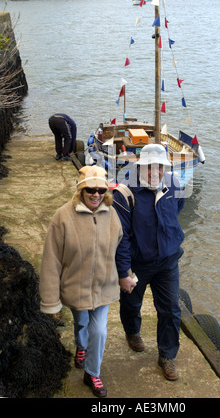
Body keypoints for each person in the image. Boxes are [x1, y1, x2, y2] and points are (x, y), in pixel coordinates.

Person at [39, 165, 123, 397]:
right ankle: (81, 345)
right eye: (90, 190)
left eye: (100, 190)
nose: (96, 194)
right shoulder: (62, 217)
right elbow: (51, 260)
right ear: (81, 191)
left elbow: (121, 246)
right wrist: (50, 300)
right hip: (76, 287)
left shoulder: (112, 214)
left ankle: (92, 373)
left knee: (100, 331)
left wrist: (126, 274)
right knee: (81, 324)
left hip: (104, 287)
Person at [113, 144, 185, 381]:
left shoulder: (174, 185)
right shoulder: (124, 194)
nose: (155, 172)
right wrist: (124, 272)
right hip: (138, 264)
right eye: (150, 167)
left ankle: (167, 355)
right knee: (132, 303)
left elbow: (177, 210)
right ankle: (132, 331)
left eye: (160, 167)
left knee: (171, 309)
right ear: (140, 166)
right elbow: (120, 238)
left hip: (167, 261)